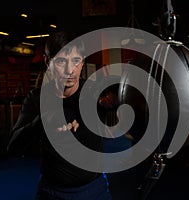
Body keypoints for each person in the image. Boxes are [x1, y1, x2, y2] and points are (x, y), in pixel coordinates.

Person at [7, 31, 112, 200]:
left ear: (83, 62)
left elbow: (131, 105)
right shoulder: (36, 99)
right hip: (52, 192)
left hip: (94, 190)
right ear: (48, 62)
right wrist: (42, 122)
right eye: (62, 61)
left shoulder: (94, 93)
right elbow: (13, 147)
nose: (70, 70)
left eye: (76, 61)